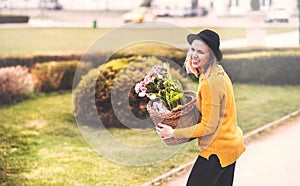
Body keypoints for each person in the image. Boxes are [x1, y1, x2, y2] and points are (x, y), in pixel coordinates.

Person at [156, 29, 246, 186]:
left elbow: (209, 126)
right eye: (193, 49)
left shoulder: (210, 83)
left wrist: (174, 132)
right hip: (230, 145)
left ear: (211, 56)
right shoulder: (218, 73)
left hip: (217, 150)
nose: (194, 55)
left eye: (201, 52)